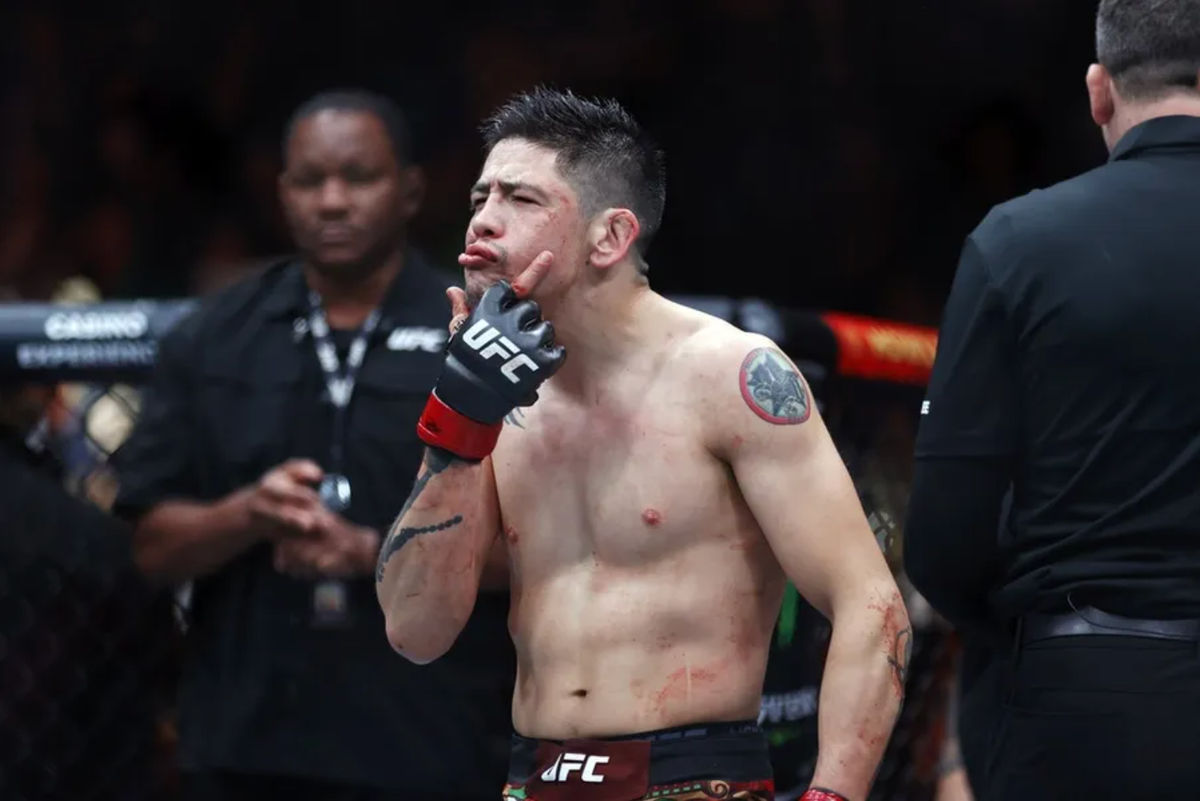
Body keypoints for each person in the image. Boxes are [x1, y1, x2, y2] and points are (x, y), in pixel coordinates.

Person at [375, 87, 909, 801]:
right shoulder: (489, 394)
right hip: (532, 778)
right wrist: (459, 419)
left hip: (694, 776)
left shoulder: (731, 374)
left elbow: (871, 605)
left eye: (521, 199)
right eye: (480, 196)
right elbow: (415, 629)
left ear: (610, 236)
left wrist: (832, 796)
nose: (483, 221)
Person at [113, 89, 513, 800]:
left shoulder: (475, 335)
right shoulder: (214, 334)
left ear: (411, 188)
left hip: (431, 741)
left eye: (359, 177)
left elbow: (536, 546)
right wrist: (246, 514)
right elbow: (145, 547)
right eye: (310, 180)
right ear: (282, 192)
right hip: (248, 745)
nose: (332, 201)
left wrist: (377, 553)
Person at [904, 1, 1200, 797]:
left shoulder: (1020, 242)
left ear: (1100, 92)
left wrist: (1034, 625)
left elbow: (944, 539)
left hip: (1089, 697)